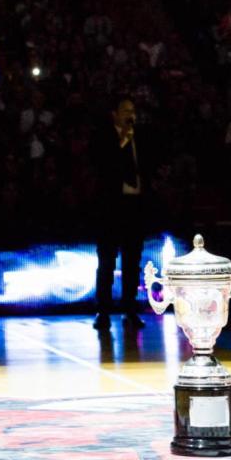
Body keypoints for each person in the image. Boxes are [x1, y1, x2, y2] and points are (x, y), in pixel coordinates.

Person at [92, 95, 151, 331]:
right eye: (125, 110)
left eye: (133, 110)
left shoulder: (142, 137)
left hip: (135, 205)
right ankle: (103, 311)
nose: (131, 115)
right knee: (107, 261)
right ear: (114, 114)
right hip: (110, 206)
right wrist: (123, 143)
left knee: (132, 260)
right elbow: (104, 167)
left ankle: (130, 310)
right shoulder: (104, 137)